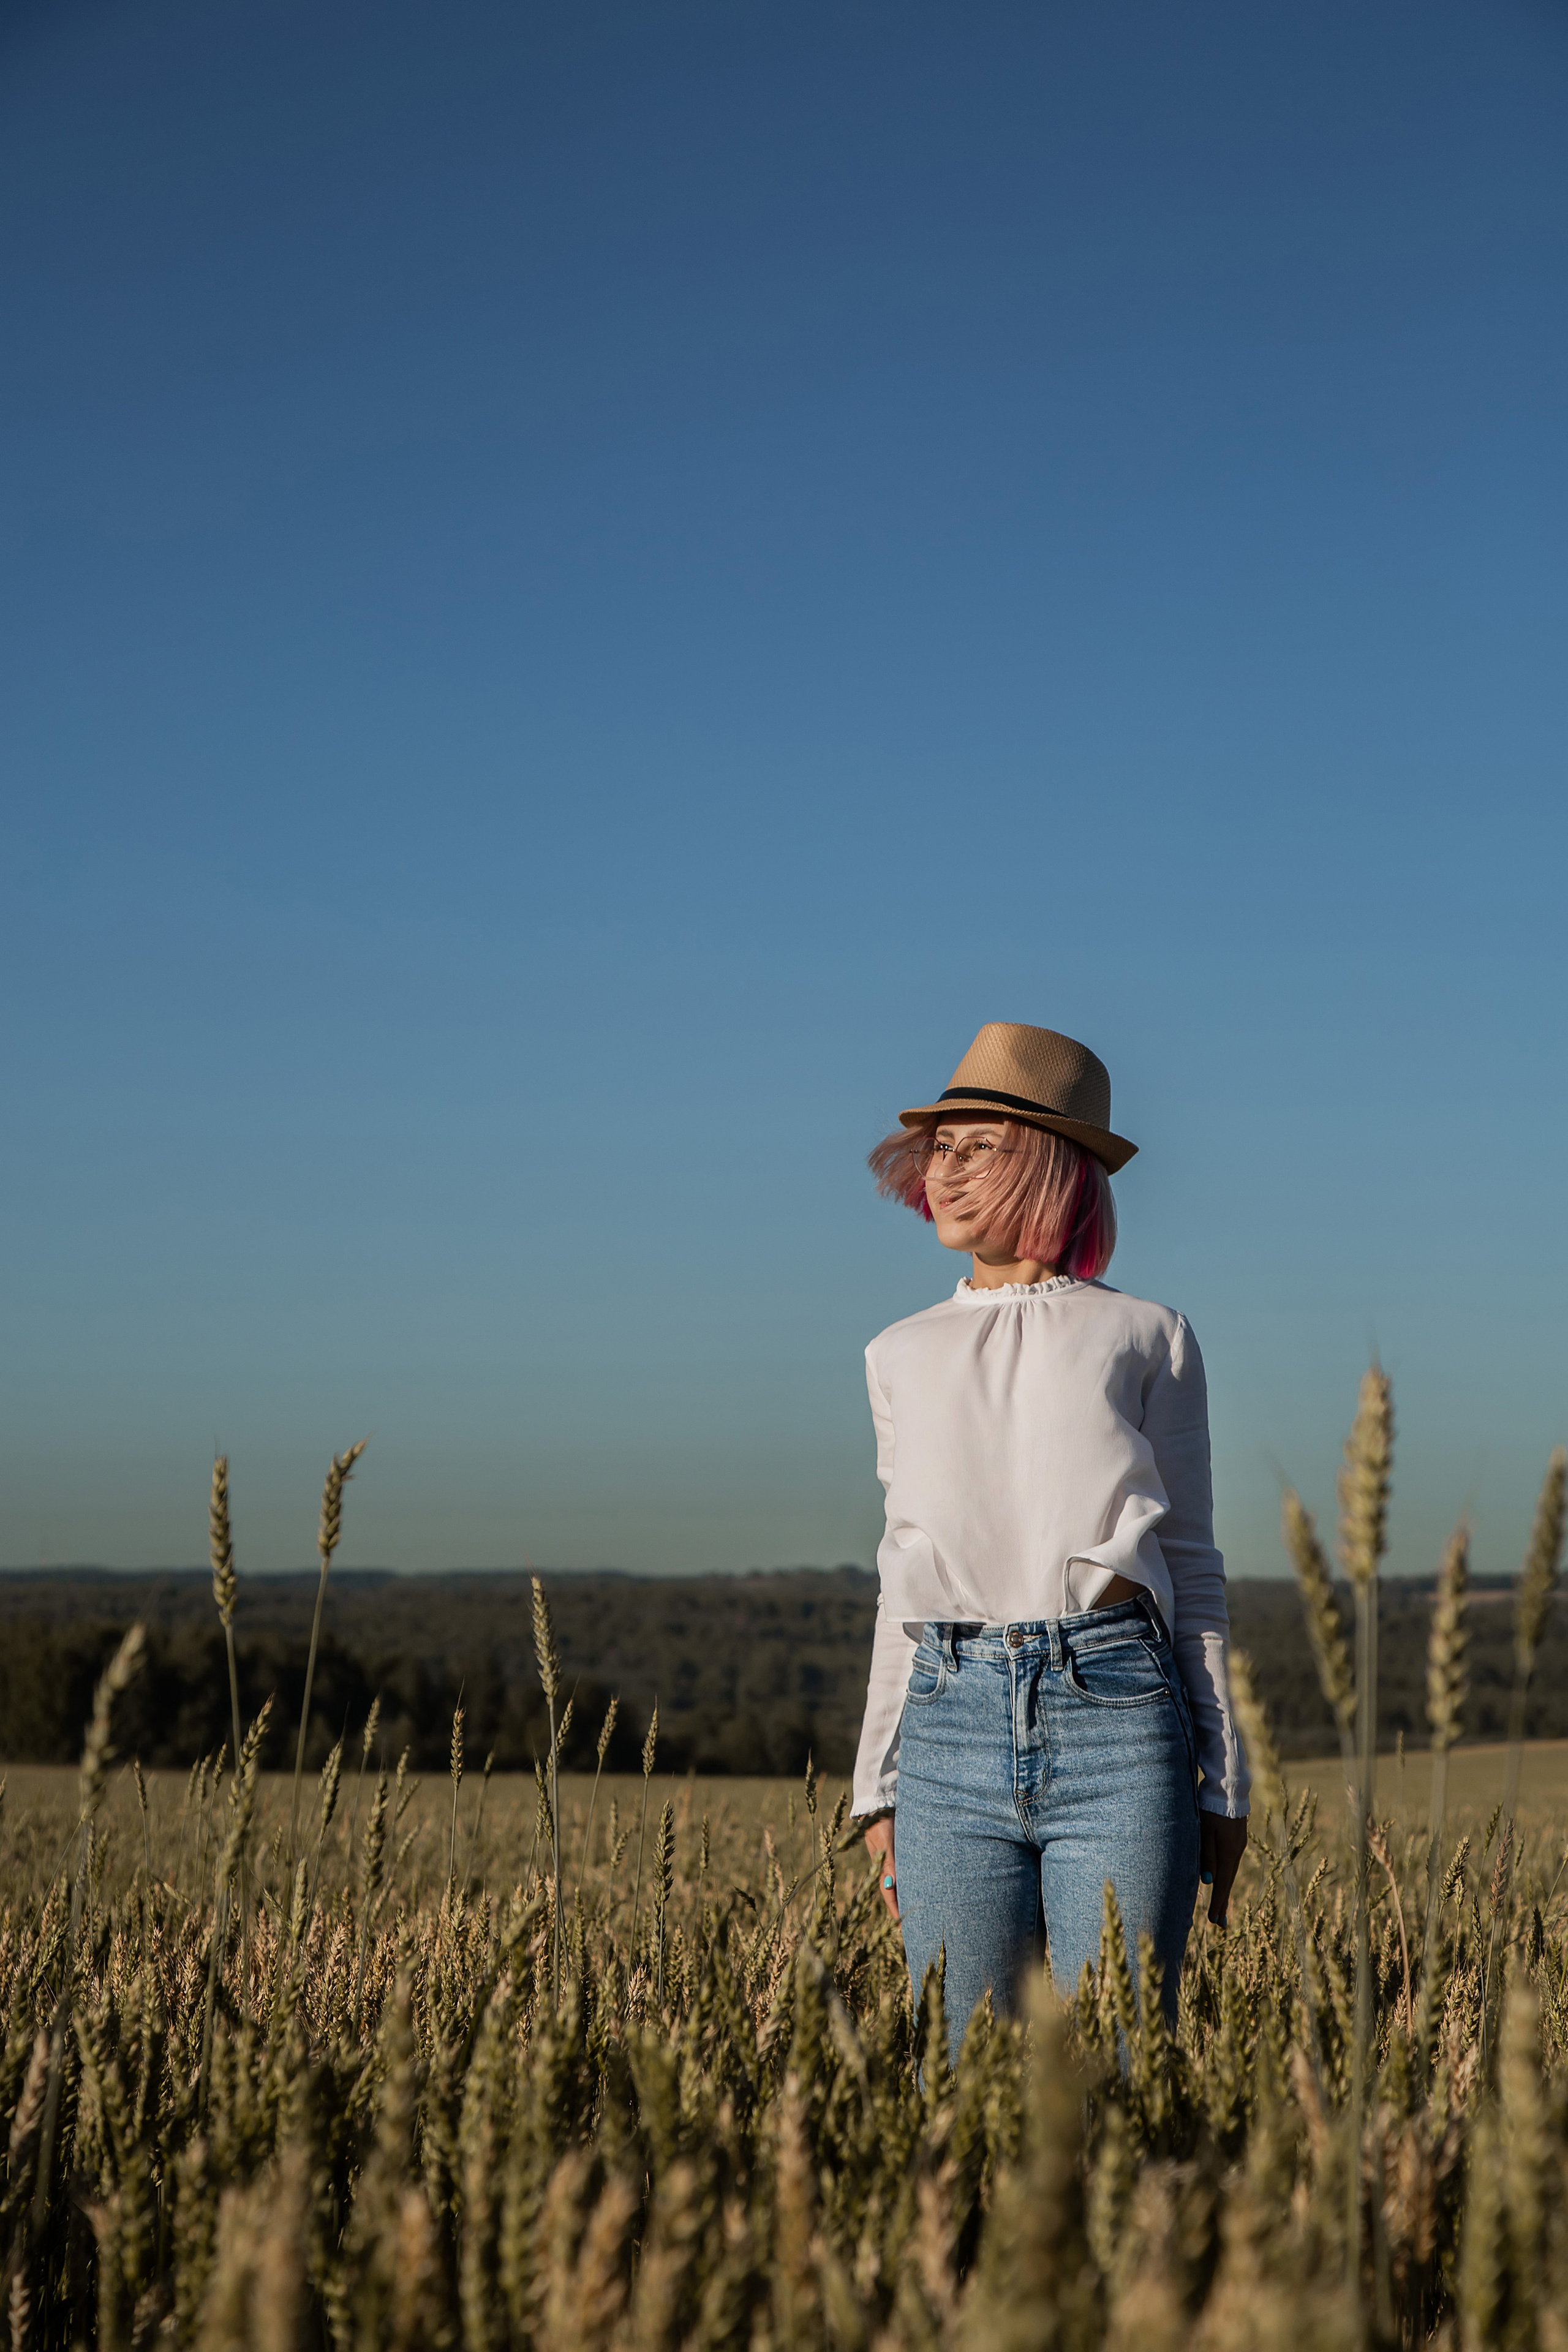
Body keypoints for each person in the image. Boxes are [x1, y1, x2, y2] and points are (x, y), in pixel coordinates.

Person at [851, 1021, 1248, 2040]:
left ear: (1051, 1161)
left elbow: (1191, 1564)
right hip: (947, 1719)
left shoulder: (1149, 1336)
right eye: (939, 1147)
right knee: (962, 2074)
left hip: (1119, 1714)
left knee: (1120, 2065)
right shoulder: (896, 1354)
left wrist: (1225, 1778)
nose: (944, 1171)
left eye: (977, 1147)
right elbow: (903, 1581)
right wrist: (876, 1787)